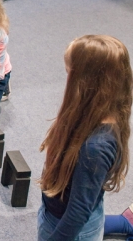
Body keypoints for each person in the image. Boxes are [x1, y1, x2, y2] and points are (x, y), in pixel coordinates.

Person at [37, 35, 132, 241]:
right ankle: (126, 222)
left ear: (85, 83)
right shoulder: (93, 112)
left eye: (68, 72)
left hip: (72, 229)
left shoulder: (96, 147)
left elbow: (78, 212)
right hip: (61, 212)